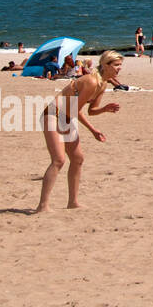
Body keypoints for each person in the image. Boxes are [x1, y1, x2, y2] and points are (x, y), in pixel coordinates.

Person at [35, 50, 124, 212]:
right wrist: (93, 130)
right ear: (105, 65)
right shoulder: (91, 81)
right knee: (59, 160)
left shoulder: (102, 84)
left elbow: (91, 110)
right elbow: (75, 110)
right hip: (53, 114)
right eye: (116, 65)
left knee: (77, 159)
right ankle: (42, 206)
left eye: (120, 65)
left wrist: (104, 109)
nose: (119, 69)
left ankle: (73, 202)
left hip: (67, 117)